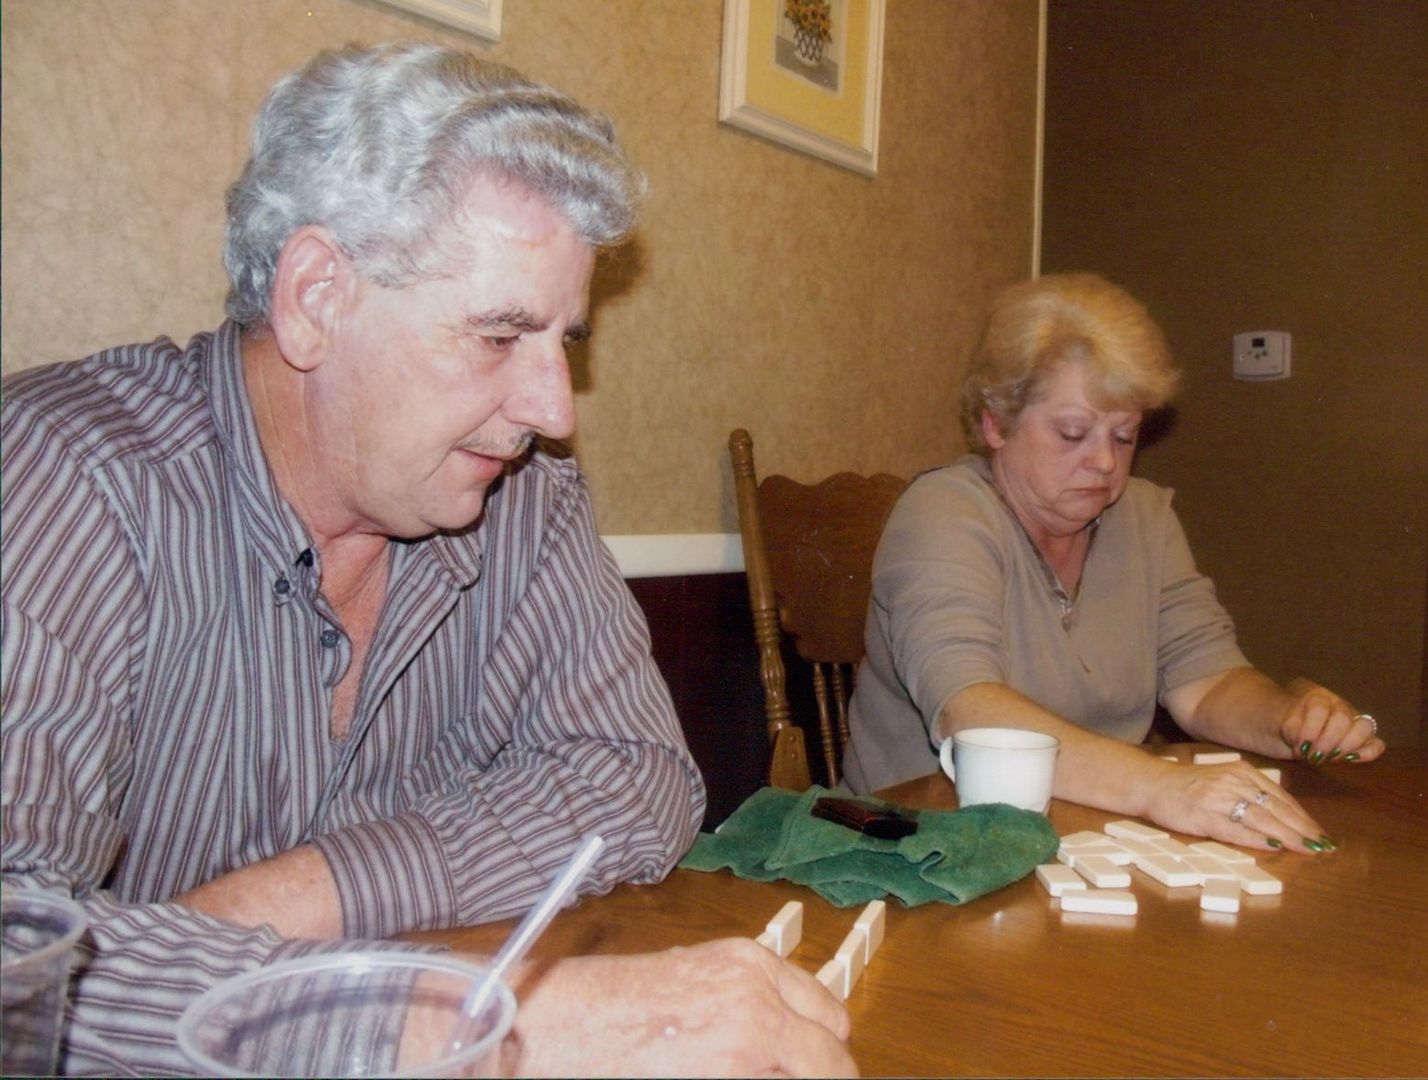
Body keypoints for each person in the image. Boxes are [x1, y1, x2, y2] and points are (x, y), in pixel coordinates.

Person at [0, 42, 853, 1077]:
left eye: (565, 342)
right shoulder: (59, 478)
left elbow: (638, 777)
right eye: (499, 336)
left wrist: (299, 895)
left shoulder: (522, 499)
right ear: (317, 297)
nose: (552, 411)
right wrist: (485, 1029)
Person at [842, 273, 1385, 852]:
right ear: (995, 423)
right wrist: (1161, 787)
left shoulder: (1145, 518)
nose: (1104, 462)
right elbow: (970, 712)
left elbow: (1207, 684)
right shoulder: (941, 513)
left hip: (1084, 837)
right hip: (916, 845)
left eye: (1124, 436)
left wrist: (1288, 719)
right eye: (1073, 433)